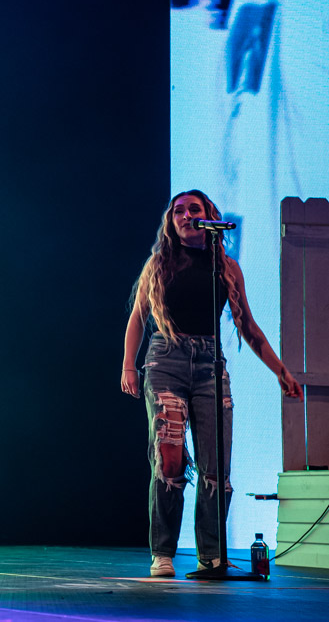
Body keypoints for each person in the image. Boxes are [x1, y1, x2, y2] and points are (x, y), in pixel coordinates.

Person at [120, 190, 302, 578]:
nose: (186, 215)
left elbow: (248, 327)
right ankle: (163, 553)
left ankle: (212, 556)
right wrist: (129, 367)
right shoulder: (159, 263)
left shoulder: (226, 266)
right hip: (166, 359)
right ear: (171, 221)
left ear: (210, 218)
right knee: (169, 458)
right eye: (179, 211)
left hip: (208, 365)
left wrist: (281, 371)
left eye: (194, 209)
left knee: (216, 467)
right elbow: (138, 317)